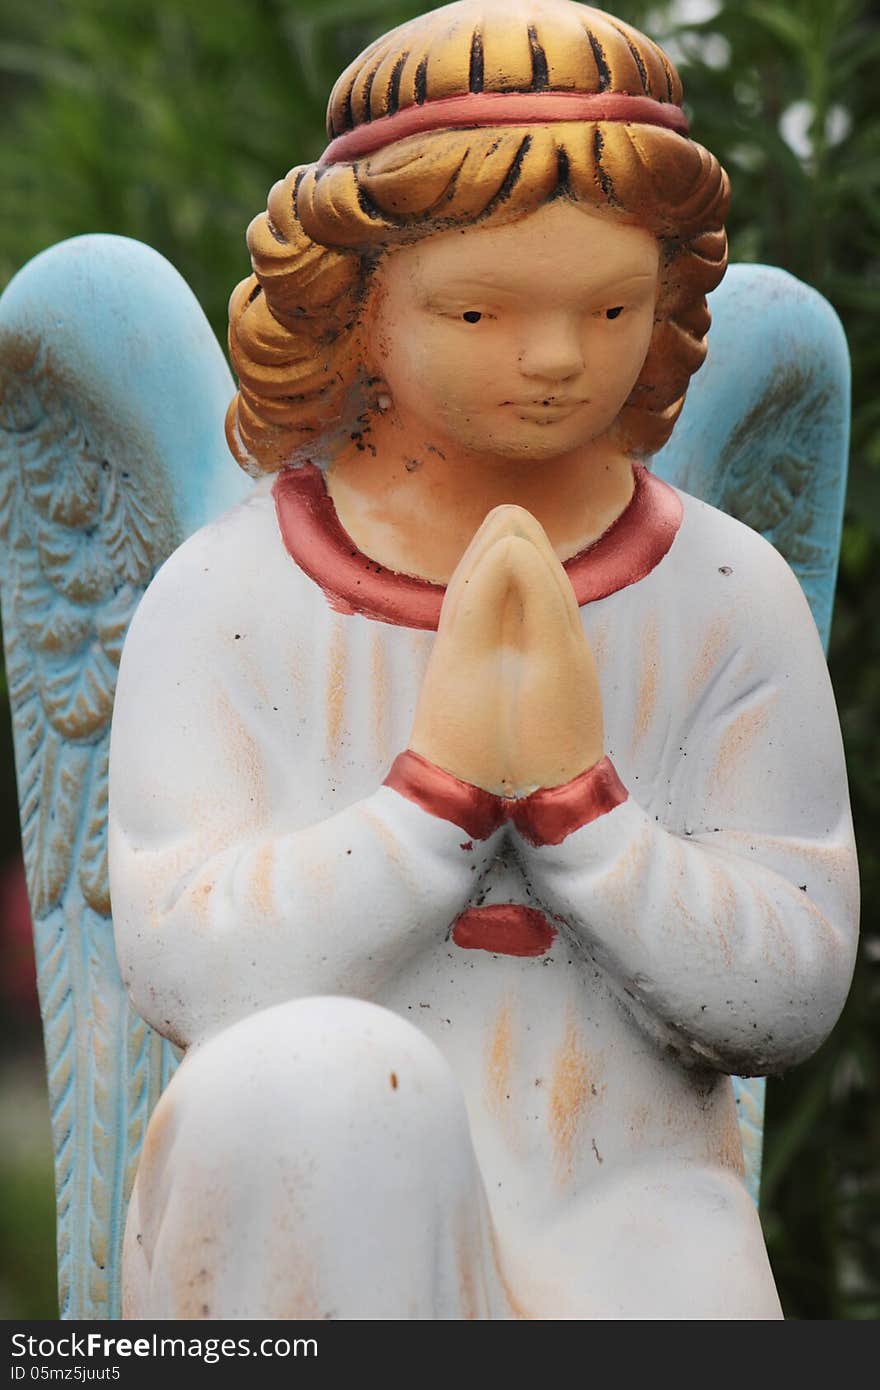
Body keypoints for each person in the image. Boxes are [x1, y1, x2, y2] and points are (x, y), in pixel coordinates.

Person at [109, 0, 858, 1319]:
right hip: (312, 1201)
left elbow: (790, 975)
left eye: (613, 303)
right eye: (477, 311)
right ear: (355, 306)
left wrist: (585, 812)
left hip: (629, 1194)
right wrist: (434, 799)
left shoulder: (724, 592)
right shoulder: (230, 594)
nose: (559, 357)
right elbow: (187, 962)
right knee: (313, 1079)